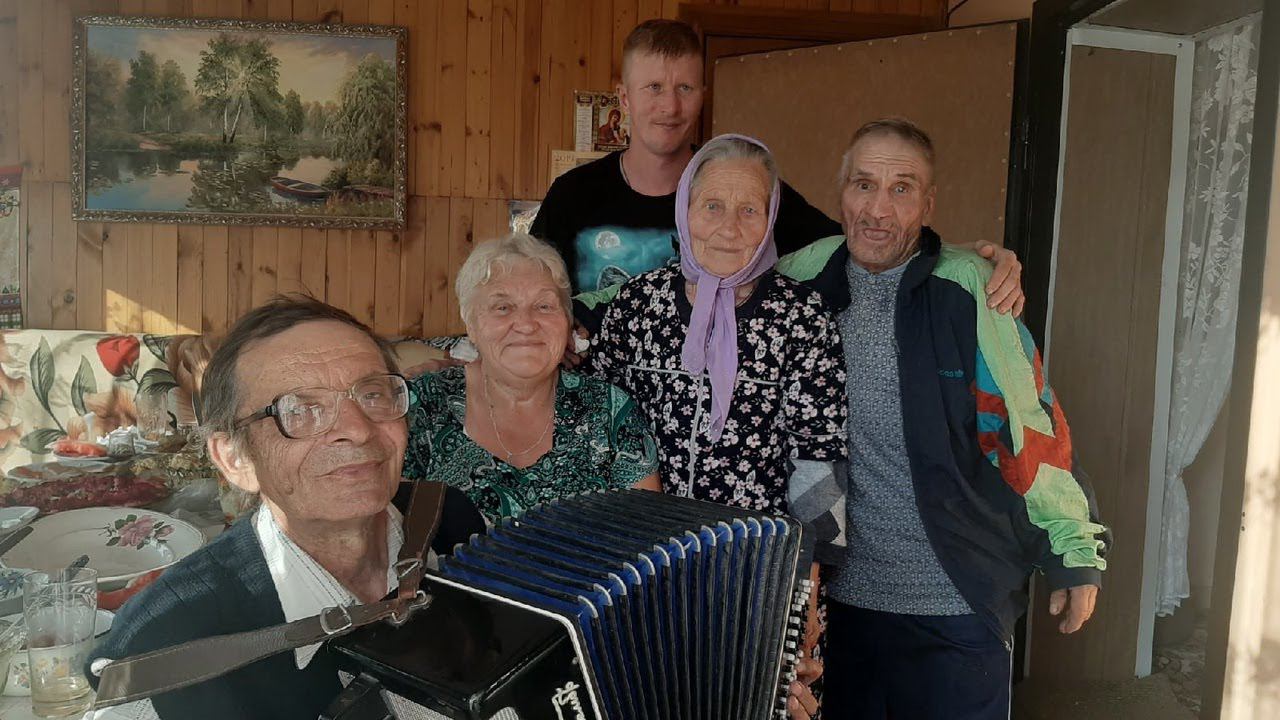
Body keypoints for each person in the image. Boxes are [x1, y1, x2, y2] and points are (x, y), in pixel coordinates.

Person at [775, 118, 1110, 719]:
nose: (878, 209)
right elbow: (689, 295)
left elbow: (1029, 426)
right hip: (835, 606)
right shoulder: (797, 279)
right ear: (840, 193)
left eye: (901, 189)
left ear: (929, 204)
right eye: (863, 185)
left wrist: (1073, 551)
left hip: (954, 601)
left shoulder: (972, 287)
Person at [87, 297, 483, 720]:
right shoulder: (161, 655)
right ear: (235, 459)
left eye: (372, 394)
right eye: (301, 409)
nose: (356, 429)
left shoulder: (450, 519)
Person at [531, 19, 1026, 324]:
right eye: (653, 87)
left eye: (685, 88)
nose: (670, 106)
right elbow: (530, 285)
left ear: (702, 96)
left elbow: (863, 246)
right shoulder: (573, 194)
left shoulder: (749, 189)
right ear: (623, 97)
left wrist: (965, 259)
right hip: (599, 410)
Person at [588, 134, 844, 720]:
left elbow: (820, 459)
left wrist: (805, 590)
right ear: (685, 210)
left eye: (749, 209)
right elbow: (600, 430)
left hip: (762, 576)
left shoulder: (802, 319)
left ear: (771, 218)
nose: (729, 227)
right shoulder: (636, 307)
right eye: (712, 206)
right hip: (643, 573)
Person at [402, 233, 661, 524]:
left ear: (567, 320)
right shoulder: (421, 405)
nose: (525, 324)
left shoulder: (609, 410)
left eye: (544, 306)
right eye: (503, 307)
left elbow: (645, 531)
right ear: (471, 325)